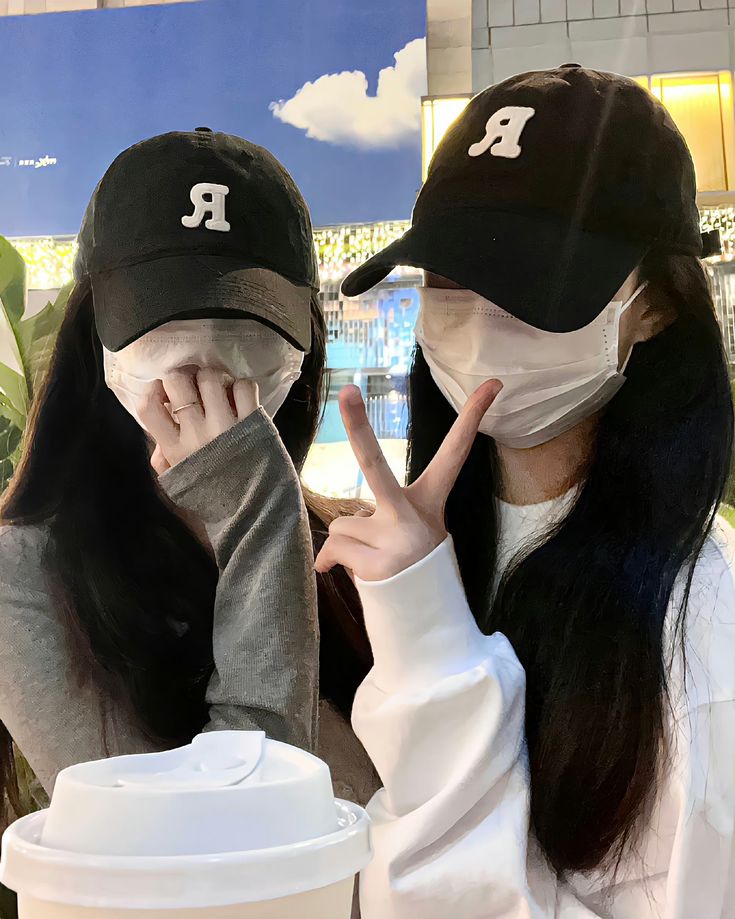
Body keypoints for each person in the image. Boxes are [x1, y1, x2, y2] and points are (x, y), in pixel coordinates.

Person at [317, 66, 735, 917]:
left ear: (654, 305)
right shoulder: (414, 556)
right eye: (447, 278)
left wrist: (431, 646)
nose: (476, 318)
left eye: (531, 282)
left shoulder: (703, 627)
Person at [0, 128, 377, 833]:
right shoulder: (21, 576)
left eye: (244, 325)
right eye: (164, 324)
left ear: (302, 343)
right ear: (98, 340)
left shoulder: (342, 542)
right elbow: (220, 840)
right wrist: (253, 510)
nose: (204, 371)